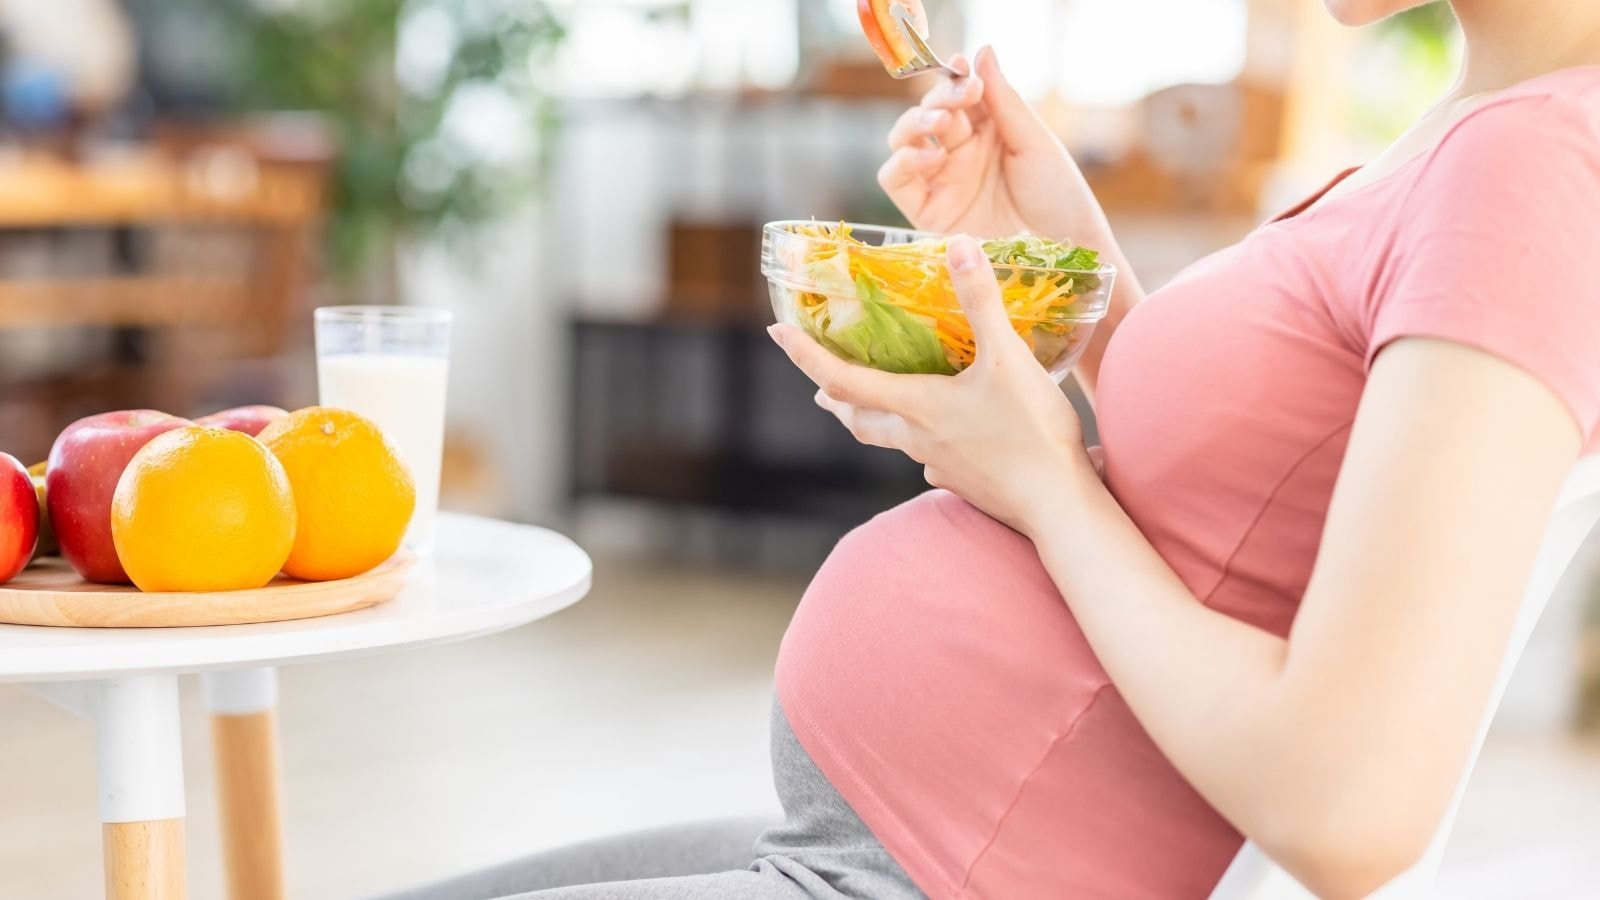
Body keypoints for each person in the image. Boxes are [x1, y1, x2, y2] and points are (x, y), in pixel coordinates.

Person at [393, 1, 1600, 897]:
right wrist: (1061, 266)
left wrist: (1039, 479)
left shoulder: (1533, 168)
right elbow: (1246, 500)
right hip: (899, 845)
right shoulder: (1483, 120)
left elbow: (1351, 804)